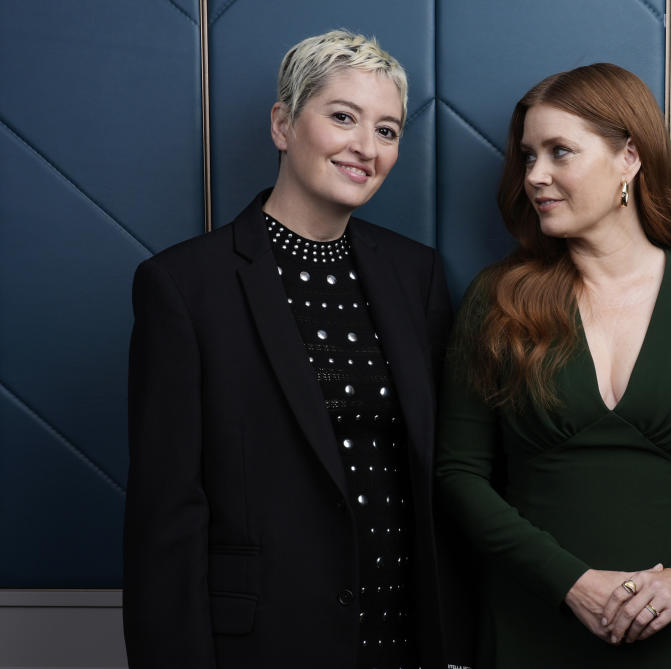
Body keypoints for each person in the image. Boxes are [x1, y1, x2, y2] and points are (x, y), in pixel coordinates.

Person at [124, 30, 471, 669]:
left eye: (388, 130)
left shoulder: (415, 273)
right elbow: (165, 516)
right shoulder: (184, 286)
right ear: (283, 124)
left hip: (404, 636)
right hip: (263, 642)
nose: (366, 148)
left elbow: (438, 474)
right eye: (343, 117)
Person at [435, 62, 671, 668]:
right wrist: (572, 582)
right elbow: (459, 472)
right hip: (531, 624)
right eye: (527, 157)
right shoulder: (495, 297)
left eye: (559, 152)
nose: (535, 177)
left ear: (629, 157)